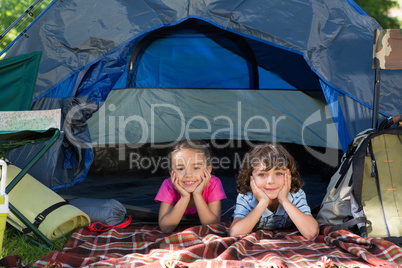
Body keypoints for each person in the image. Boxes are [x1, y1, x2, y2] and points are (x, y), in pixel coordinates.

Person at [229, 143, 319, 240]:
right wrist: (263, 203)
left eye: (279, 173)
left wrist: (284, 200)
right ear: (251, 178)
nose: (271, 181)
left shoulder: (295, 195)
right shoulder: (247, 196)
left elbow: (312, 233)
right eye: (262, 174)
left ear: (289, 175)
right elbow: (235, 233)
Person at [155, 140, 227, 233]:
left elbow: (212, 226)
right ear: (171, 172)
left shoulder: (214, 183)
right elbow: (165, 228)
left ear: (208, 170)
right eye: (180, 168)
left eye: (196, 168)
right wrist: (185, 197)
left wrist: (197, 195)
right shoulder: (168, 185)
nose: (188, 175)